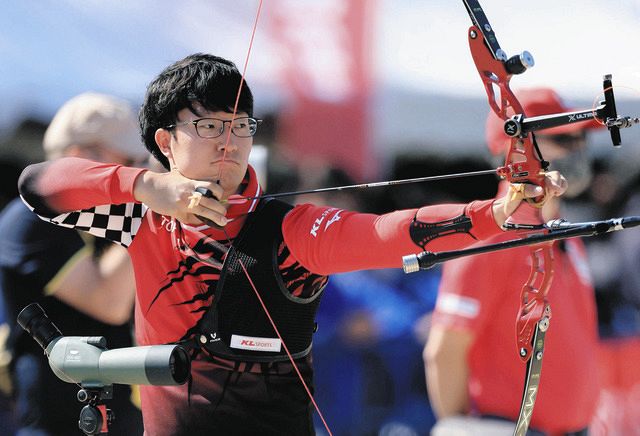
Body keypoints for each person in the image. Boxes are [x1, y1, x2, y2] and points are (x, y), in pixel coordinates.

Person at [17, 54, 566, 436]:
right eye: (209, 126)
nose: (230, 141)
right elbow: (38, 187)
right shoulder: (140, 219)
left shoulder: (289, 230)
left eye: (241, 124)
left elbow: (386, 232)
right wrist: (147, 186)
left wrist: (494, 212)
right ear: (165, 141)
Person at [424, 88, 602, 435]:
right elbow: (444, 350)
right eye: (563, 139)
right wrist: (464, 429)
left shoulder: (567, 234)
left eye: (580, 138)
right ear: (515, 148)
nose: (578, 148)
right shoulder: (490, 237)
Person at [0, 93, 146, 435]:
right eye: (127, 160)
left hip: (116, 415)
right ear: (81, 156)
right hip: (56, 421)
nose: (137, 171)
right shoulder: (27, 219)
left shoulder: (102, 218)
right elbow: (107, 301)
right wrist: (150, 207)